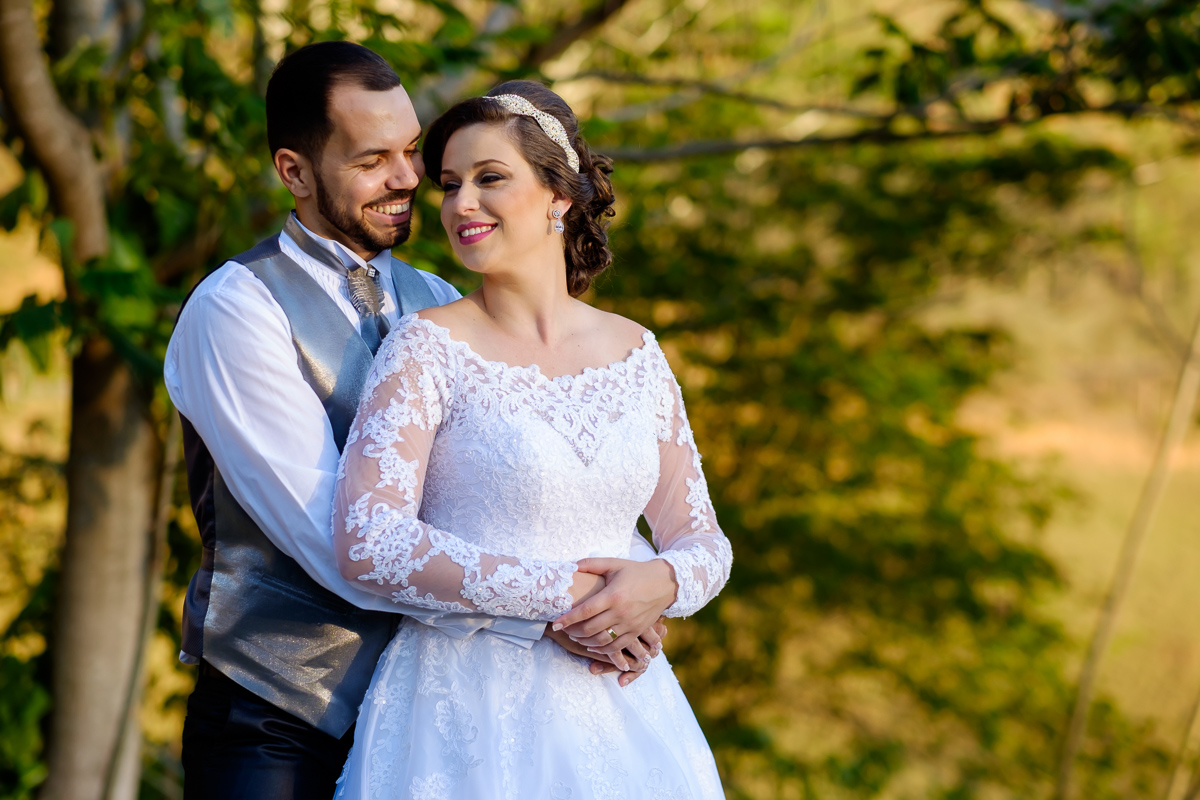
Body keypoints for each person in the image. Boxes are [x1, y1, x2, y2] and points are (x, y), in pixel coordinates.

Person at [164, 43, 670, 800]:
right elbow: (338, 539)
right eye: (372, 160)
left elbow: (526, 482)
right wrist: (570, 609)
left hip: (435, 713)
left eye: (409, 151)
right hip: (277, 717)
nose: (407, 178)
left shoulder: (438, 296)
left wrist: (633, 587)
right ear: (294, 171)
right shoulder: (237, 308)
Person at [331, 80, 733, 799]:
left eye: (490, 179)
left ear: (559, 196)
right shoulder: (426, 348)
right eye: (450, 185)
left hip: (625, 709)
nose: (461, 205)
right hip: (462, 711)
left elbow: (704, 540)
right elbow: (369, 539)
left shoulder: (637, 351)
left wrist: (658, 584)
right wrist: (569, 594)